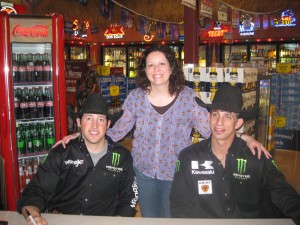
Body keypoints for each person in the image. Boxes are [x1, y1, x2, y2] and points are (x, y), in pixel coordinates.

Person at [55, 45, 269, 218]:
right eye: (150, 65)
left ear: (172, 68)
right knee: (149, 217)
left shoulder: (187, 97)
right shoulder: (136, 98)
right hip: (143, 173)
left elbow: (212, 129)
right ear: (145, 70)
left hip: (176, 175)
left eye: (161, 64)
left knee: (171, 218)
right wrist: (81, 135)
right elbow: (116, 130)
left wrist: (244, 137)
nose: (156, 70)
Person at [169, 84, 300, 224]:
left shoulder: (257, 157)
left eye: (227, 116)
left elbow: (284, 195)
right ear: (208, 117)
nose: (219, 122)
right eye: (215, 114)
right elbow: (179, 204)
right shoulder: (188, 158)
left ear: (238, 123)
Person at [17, 94, 138, 225]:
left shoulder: (123, 157)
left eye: (101, 120)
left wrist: (119, 220)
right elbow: (36, 189)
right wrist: (33, 215)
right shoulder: (62, 152)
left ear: (108, 124)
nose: (94, 126)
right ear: (79, 122)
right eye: (89, 118)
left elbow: (130, 196)